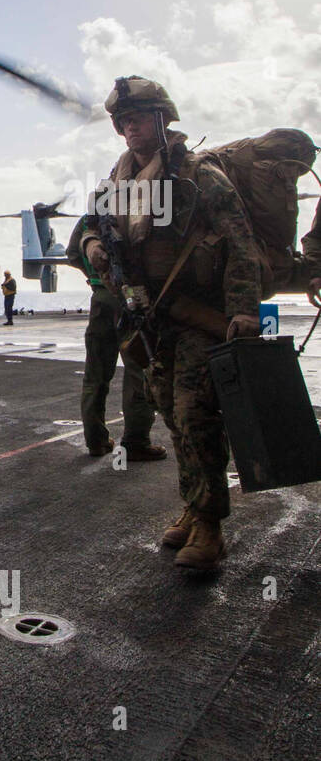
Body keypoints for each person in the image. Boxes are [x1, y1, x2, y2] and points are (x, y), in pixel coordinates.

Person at [79, 76, 261, 571]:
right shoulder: (117, 182)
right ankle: (194, 502)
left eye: (137, 117)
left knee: (195, 411)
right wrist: (92, 245)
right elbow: (91, 227)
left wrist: (244, 309)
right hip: (150, 318)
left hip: (197, 314)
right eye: (122, 121)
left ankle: (210, 525)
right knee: (171, 413)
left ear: (163, 118)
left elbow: (241, 244)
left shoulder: (198, 177)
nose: (128, 128)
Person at [65, 216, 166, 461]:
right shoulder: (135, 212)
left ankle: (96, 441)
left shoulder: (90, 218)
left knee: (95, 374)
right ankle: (136, 442)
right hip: (131, 298)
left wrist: (95, 276)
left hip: (100, 297)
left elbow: (72, 253)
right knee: (137, 372)